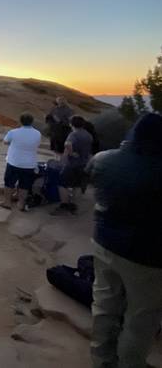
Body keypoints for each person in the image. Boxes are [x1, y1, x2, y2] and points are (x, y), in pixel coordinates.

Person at [87, 113, 162, 368]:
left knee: (104, 305)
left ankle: (100, 360)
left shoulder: (103, 159)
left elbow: (92, 179)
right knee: (140, 318)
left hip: (104, 242)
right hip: (148, 257)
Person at [52, 115, 93, 216]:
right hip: (83, 163)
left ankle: (64, 205)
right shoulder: (88, 135)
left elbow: (67, 144)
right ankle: (73, 206)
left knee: (62, 183)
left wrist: (71, 153)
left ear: (72, 124)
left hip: (72, 164)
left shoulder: (73, 134)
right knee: (77, 185)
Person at [0, 113, 41, 211]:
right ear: (32, 122)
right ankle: (21, 204)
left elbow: (5, 142)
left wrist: (14, 143)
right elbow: (37, 144)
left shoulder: (13, 132)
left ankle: (7, 202)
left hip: (14, 162)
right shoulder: (37, 133)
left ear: (20, 121)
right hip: (29, 164)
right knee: (25, 185)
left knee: (9, 183)